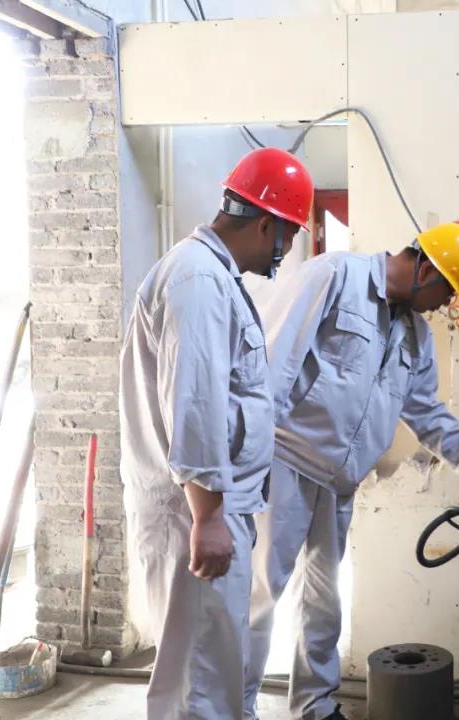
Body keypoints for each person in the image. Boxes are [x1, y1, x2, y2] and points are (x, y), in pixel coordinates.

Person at [244, 223, 459, 720]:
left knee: (324, 600)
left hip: (339, 481)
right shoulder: (335, 275)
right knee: (260, 592)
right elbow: (277, 359)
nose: (444, 306)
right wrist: (250, 455)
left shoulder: (414, 334)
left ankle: (314, 705)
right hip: (286, 462)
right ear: (426, 270)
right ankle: (234, 705)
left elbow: (423, 408)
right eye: (447, 293)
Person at [120, 147, 313, 719]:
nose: (287, 249)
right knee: (197, 684)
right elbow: (195, 400)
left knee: (212, 669)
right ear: (266, 225)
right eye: (289, 234)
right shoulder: (199, 280)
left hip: (208, 508)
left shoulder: (209, 274)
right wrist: (208, 516)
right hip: (194, 514)